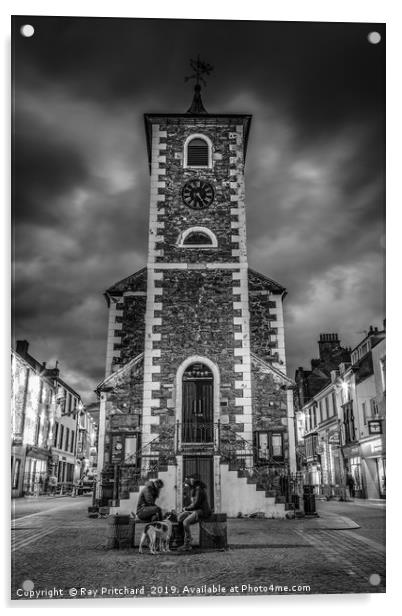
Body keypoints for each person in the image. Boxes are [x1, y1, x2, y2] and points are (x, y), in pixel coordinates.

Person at [177, 474, 211, 551]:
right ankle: (181, 540)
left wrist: (186, 508)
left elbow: (196, 504)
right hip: (195, 510)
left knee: (186, 522)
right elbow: (193, 504)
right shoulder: (194, 489)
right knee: (180, 517)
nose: (188, 483)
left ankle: (187, 544)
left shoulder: (199, 489)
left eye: (189, 481)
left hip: (202, 511)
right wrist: (186, 509)